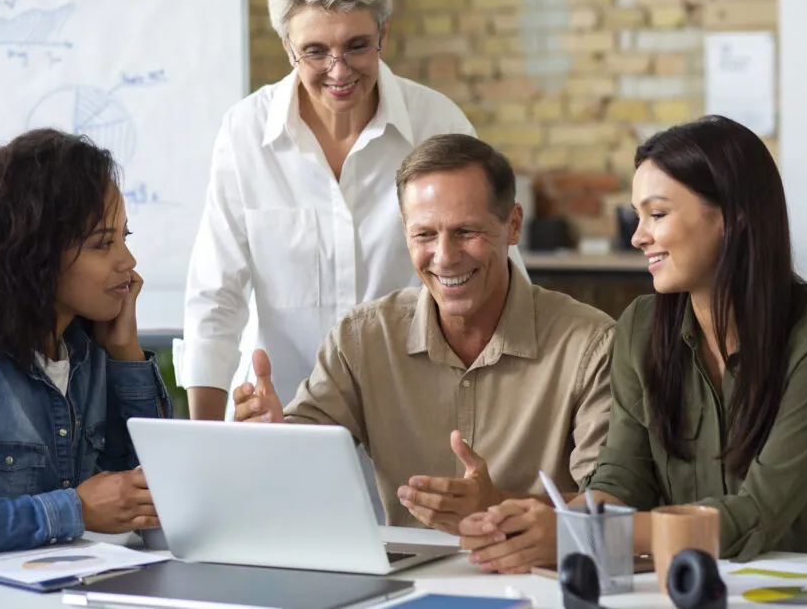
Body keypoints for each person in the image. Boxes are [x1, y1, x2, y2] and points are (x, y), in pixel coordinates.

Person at [458, 115, 807, 574]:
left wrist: (593, 532)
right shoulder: (642, 326)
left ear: (733, 217)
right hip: (715, 581)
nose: (638, 236)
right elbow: (624, 480)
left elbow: (757, 514)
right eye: (638, 216)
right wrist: (554, 521)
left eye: (657, 214)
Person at [180, 0, 523, 420]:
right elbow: (215, 297)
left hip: (417, 415)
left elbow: (499, 276)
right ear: (287, 48)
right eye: (315, 52)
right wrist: (206, 438)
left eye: (357, 46)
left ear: (382, 32)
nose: (339, 72)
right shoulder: (245, 134)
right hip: (279, 416)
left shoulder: (436, 122)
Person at [232, 134, 613, 532]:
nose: (445, 257)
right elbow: (299, 465)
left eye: (466, 232)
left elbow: (611, 506)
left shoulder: (590, 344)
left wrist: (497, 505)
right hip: (404, 583)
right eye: (425, 235)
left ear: (512, 225)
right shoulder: (362, 340)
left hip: (540, 582)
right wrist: (270, 439)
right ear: (405, 232)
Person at [0, 129, 172, 569]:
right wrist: (71, 509)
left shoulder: (91, 356)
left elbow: (159, 513)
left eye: (124, 236)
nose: (128, 261)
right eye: (103, 243)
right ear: (34, 254)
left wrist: (125, 353)